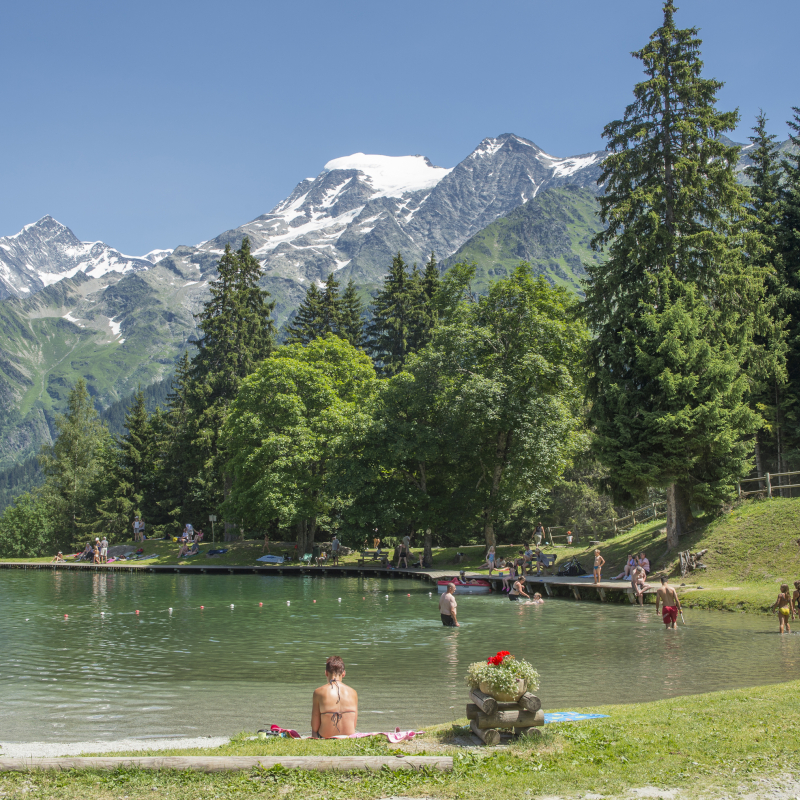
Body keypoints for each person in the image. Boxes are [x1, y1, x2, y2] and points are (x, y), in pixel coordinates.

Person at [311, 656, 358, 738]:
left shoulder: (318, 692)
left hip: (325, 738)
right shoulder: (353, 693)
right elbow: (354, 724)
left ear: (326, 673)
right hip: (349, 738)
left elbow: (315, 726)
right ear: (344, 673)